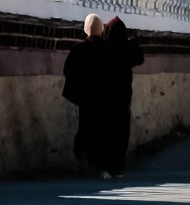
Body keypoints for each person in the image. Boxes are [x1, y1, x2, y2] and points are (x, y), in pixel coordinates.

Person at [62, 14, 144, 177]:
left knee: (87, 129)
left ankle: (89, 162)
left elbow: (68, 72)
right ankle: (107, 166)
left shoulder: (78, 50)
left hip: (87, 100)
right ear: (101, 30)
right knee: (107, 133)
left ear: (86, 30)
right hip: (109, 101)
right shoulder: (110, 50)